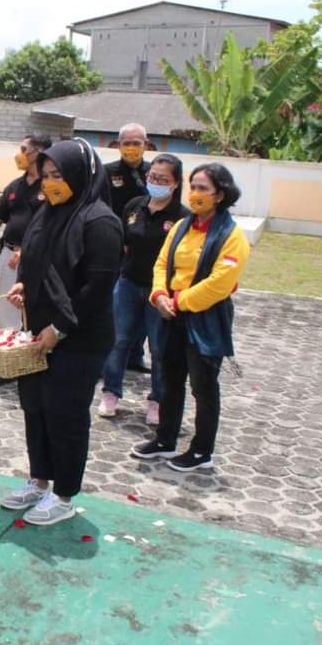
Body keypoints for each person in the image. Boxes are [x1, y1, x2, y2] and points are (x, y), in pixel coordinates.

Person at [0, 139, 122, 525]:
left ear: (81, 176)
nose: (51, 183)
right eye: (47, 176)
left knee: (65, 414)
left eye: (59, 176)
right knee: (35, 407)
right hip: (40, 333)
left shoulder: (99, 221)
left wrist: (59, 328)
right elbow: (35, 259)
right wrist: (24, 287)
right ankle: (39, 481)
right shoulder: (47, 212)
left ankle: (64, 494)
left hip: (79, 338)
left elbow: (97, 287)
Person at [130, 162, 250, 472]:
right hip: (171, 312)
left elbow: (220, 282)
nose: (196, 194)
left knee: (203, 386)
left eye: (203, 188)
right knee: (170, 380)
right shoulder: (183, 226)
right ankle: (165, 440)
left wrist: (180, 301)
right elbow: (161, 262)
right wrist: (158, 295)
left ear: (219, 195)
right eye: (193, 186)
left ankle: (201, 450)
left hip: (205, 318)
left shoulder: (231, 234)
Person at [98, 154, 189, 424]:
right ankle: (111, 392)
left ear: (175, 184)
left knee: (159, 347)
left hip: (160, 291)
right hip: (128, 283)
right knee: (118, 340)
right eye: (152, 177)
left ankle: (156, 400)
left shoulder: (182, 217)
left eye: (163, 179)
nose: (155, 182)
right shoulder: (134, 206)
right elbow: (124, 245)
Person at [0, 133, 52, 387]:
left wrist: (27, 250)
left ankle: (32, 361)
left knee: (33, 311)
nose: (19, 154)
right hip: (9, 256)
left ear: (39, 152)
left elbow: (49, 224)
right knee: (7, 310)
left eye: (24, 149)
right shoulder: (15, 186)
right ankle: (6, 367)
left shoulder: (50, 186)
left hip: (38, 259)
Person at [105, 122, 152, 374]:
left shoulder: (156, 173)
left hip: (145, 251)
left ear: (146, 145)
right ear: (118, 145)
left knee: (144, 305)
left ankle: (136, 356)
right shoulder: (106, 172)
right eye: (127, 143)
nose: (132, 148)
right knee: (114, 303)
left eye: (137, 143)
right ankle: (110, 358)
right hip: (113, 248)